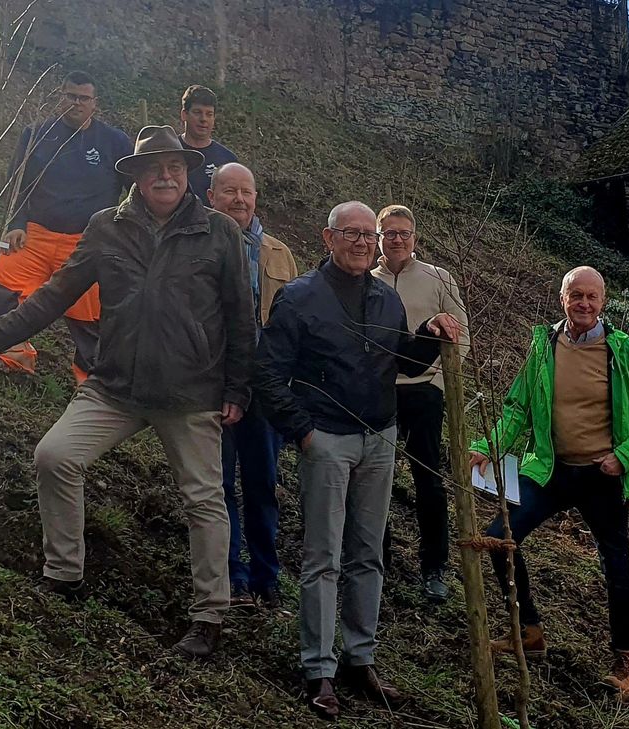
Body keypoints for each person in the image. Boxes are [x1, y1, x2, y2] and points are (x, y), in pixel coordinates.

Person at [0, 125, 256, 660]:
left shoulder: (218, 232)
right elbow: (54, 295)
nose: (165, 175)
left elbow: (240, 316)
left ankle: (209, 615)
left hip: (190, 392)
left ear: (187, 174)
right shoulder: (106, 228)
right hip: (114, 384)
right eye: (154, 168)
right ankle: (64, 576)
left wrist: (237, 387)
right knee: (55, 456)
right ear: (136, 176)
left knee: (204, 500)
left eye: (175, 167)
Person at [254, 201, 462, 720]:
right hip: (326, 438)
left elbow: (402, 361)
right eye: (352, 233)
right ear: (328, 238)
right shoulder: (299, 299)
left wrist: (431, 339)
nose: (364, 242)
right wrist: (303, 432)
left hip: (379, 437)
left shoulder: (386, 299)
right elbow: (267, 374)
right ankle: (318, 667)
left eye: (369, 235)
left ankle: (360, 657)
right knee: (323, 557)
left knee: (368, 553)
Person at [468, 266, 629, 701]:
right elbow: (518, 409)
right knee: (500, 537)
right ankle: (528, 632)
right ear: (562, 298)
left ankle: (625, 659)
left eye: (591, 297)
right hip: (551, 469)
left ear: (603, 302)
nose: (583, 303)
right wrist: (488, 444)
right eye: (575, 295)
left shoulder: (627, 353)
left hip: (603, 476)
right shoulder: (544, 348)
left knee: (616, 565)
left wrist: (624, 456)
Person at [0, 70, 132, 384]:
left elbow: (135, 188)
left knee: (97, 313)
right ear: (61, 97)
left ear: (95, 103)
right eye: (70, 96)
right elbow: (16, 183)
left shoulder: (115, 142)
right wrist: (16, 223)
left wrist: (124, 230)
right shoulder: (36, 133)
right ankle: (13, 359)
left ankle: (92, 382)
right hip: (36, 235)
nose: (76, 103)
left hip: (88, 243)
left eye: (83, 98)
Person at [207, 162, 298, 610]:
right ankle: (232, 576)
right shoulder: (200, 245)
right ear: (211, 197)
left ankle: (267, 575)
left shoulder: (280, 254)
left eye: (246, 191)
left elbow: (292, 326)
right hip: (215, 386)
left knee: (262, 484)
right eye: (229, 191)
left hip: (264, 391)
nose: (239, 200)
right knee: (220, 486)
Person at [371, 204, 469, 603]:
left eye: (404, 233)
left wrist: (440, 383)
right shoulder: (366, 279)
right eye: (389, 233)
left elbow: (460, 336)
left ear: (415, 237)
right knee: (376, 479)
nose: (397, 239)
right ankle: (378, 559)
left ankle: (435, 567)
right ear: (379, 237)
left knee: (428, 480)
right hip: (379, 393)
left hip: (425, 393)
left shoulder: (437, 278)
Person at [179, 85, 237, 203]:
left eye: (209, 114)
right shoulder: (171, 152)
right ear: (184, 114)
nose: (203, 119)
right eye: (197, 112)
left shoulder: (228, 160)